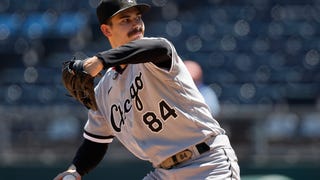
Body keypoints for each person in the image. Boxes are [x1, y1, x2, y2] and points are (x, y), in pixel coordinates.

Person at [54, 0, 240, 179]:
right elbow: (95, 142)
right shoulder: (104, 92)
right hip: (164, 172)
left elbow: (157, 48)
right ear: (106, 29)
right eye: (125, 20)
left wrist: (100, 60)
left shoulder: (155, 55)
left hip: (207, 162)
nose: (136, 24)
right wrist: (75, 170)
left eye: (138, 18)